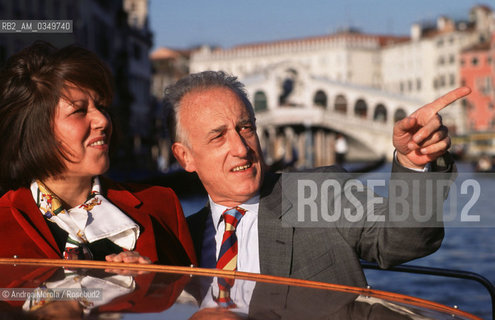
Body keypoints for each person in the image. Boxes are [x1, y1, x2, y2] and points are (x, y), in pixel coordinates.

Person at [164, 71, 469, 287]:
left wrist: (414, 165)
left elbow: (403, 245)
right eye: (218, 137)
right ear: (184, 157)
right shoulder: (177, 240)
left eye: (246, 128)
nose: (241, 149)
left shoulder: (321, 193)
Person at [0, 42, 196, 266]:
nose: (103, 120)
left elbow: (189, 296)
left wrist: (150, 284)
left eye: (102, 107)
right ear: (35, 129)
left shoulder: (162, 205)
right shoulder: (3, 222)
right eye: (79, 111)